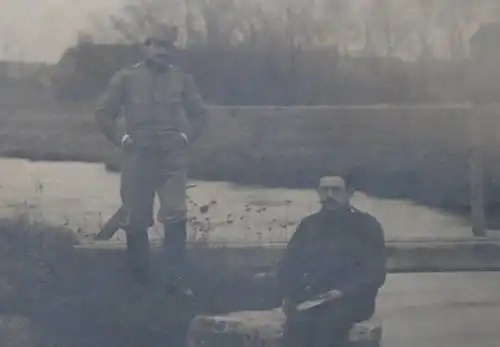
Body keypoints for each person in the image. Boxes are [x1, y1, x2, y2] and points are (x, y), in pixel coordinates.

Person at [95, 23, 208, 288]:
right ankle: (139, 283)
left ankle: (175, 282)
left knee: (176, 214)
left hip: (172, 157)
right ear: (145, 47)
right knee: (135, 217)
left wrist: (185, 138)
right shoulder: (125, 78)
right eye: (157, 46)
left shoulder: (182, 79)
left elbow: (200, 114)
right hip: (138, 156)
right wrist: (123, 139)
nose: (162, 52)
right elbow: (103, 113)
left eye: (167, 47)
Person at [276, 175, 386, 347]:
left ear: (349, 193)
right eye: (324, 190)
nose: (329, 195)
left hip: (351, 299)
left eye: (335, 190)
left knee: (327, 326)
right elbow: (288, 264)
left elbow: (375, 272)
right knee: (296, 324)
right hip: (313, 297)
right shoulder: (309, 225)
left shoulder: (366, 225)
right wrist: (291, 292)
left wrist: (342, 292)